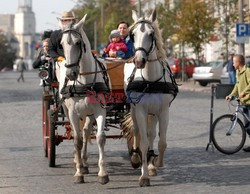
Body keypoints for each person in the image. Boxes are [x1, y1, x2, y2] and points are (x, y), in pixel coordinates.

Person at [225, 54, 250, 152]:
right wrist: (231, 95)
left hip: (249, 100)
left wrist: (244, 92)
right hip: (244, 102)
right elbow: (237, 85)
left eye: (233, 62)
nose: (232, 64)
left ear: (238, 63)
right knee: (247, 125)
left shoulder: (247, 71)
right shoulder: (238, 72)